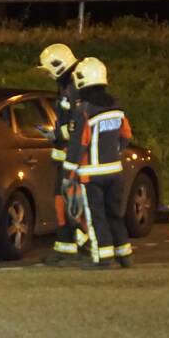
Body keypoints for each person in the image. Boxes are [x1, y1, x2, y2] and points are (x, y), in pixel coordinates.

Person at [63, 57, 134, 269]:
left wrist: (68, 172)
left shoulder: (84, 110)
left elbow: (78, 144)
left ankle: (102, 257)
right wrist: (114, 152)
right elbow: (126, 135)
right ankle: (124, 254)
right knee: (115, 214)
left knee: (97, 217)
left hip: (91, 174)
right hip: (115, 171)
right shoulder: (117, 106)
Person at [36, 43, 87, 266]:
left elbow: (74, 126)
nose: (47, 74)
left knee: (65, 200)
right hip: (70, 154)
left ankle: (72, 245)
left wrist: (55, 133)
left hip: (72, 155)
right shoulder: (72, 84)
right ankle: (80, 242)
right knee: (69, 200)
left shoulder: (72, 88)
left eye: (48, 70)